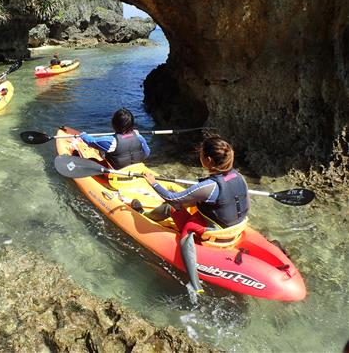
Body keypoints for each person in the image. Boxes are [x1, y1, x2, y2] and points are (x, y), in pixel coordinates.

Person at [144, 134, 250, 294]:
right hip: (234, 229)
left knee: (172, 209)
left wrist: (153, 182)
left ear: (207, 160)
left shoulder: (209, 186)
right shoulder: (240, 177)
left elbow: (172, 199)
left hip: (214, 233)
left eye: (200, 154)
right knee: (184, 205)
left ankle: (194, 284)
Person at [80, 108, 151, 170]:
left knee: (93, 158)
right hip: (137, 170)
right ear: (132, 124)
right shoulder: (139, 137)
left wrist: (83, 135)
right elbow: (146, 153)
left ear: (114, 124)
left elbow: (90, 141)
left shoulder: (110, 141)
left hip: (117, 173)